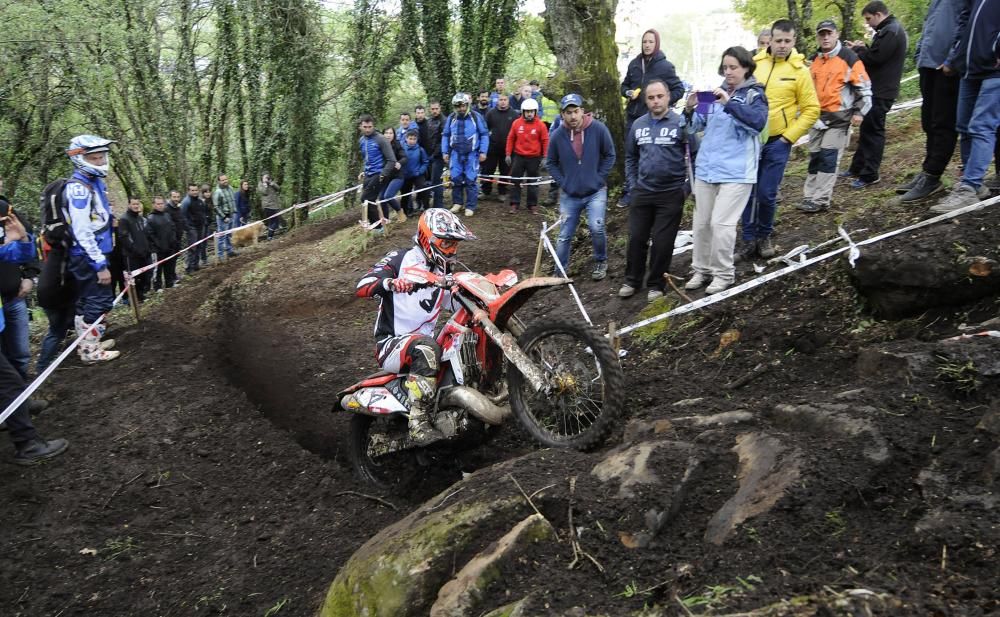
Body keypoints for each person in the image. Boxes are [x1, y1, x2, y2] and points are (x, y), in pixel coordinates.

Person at [355, 208, 477, 445]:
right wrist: (390, 283)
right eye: (446, 243)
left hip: (423, 342)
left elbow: (451, 302)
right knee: (427, 347)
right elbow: (363, 285)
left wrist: (475, 298)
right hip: (391, 344)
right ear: (427, 238)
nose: (451, 250)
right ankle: (418, 424)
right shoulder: (400, 259)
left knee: (465, 333)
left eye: (454, 245)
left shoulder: (443, 271)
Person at [683, 47, 769, 295]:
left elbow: (757, 124)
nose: (728, 72)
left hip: (738, 172)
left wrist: (729, 103)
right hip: (707, 168)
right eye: (725, 67)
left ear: (746, 68)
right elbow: (694, 127)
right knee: (701, 224)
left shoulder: (755, 94)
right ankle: (701, 269)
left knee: (721, 225)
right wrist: (690, 108)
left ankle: (723, 273)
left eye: (734, 67)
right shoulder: (712, 94)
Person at [740, 19, 820, 261]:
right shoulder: (754, 65)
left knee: (766, 193)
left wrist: (789, 137)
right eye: (778, 41)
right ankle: (747, 239)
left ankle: (764, 234)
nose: (782, 45)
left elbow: (811, 109)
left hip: (778, 141)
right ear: (770, 40)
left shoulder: (800, 71)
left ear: (794, 41)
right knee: (747, 191)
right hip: (751, 140)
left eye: (787, 41)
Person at [0, 210, 69, 465]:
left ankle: (14, 417)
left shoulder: (5, 213)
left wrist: (20, 240)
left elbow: (19, 255)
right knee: (8, 382)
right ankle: (27, 443)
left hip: (4, 315)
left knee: (13, 370)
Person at [621, 80, 689, 302]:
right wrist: (632, 184)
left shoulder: (681, 123)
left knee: (662, 242)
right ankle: (632, 280)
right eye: (651, 97)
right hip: (643, 191)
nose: (656, 101)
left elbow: (696, 155)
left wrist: (686, 187)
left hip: (671, 193)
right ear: (646, 100)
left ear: (668, 97)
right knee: (637, 238)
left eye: (660, 96)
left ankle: (656, 285)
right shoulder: (638, 124)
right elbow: (631, 157)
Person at [930, 0, 999, 213]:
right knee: (965, 126)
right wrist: (953, 57)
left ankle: (969, 186)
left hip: (995, 71)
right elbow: (964, 22)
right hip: (969, 70)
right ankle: (974, 186)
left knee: (982, 126)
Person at [798, 20, 872, 213]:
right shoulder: (813, 59)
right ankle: (809, 196)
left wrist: (858, 113)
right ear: (817, 36)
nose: (825, 37)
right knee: (815, 157)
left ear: (836, 34)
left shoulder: (849, 58)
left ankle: (821, 199)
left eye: (829, 33)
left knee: (828, 158)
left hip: (839, 119)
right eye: (822, 34)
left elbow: (865, 90)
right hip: (815, 117)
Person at [894, 0, 961, 202]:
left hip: (946, 68)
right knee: (928, 121)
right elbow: (930, 26)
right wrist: (919, 53)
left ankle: (933, 175)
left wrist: (952, 59)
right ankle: (927, 171)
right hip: (927, 64)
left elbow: (964, 26)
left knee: (942, 123)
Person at [63, 135, 120, 364]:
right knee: (99, 302)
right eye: (94, 157)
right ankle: (90, 351)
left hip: (93, 252)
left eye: (102, 156)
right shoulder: (78, 187)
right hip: (88, 255)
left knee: (88, 302)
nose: (99, 161)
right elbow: (81, 230)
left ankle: (89, 344)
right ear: (81, 159)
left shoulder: (93, 181)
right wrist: (99, 264)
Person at [548, 94, 616, 281]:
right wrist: (564, 182)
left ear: (582, 111)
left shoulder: (598, 129)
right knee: (564, 234)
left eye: (576, 111)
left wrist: (599, 177)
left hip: (596, 191)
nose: (573, 116)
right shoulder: (557, 136)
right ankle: (559, 272)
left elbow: (610, 155)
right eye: (568, 113)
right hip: (570, 194)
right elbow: (551, 162)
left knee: (597, 226)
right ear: (562, 114)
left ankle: (601, 261)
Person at [843, 1, 908, 188]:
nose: (868, 23)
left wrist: (857, 50)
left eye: (869, 19)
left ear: (879, 14)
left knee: (873, 131)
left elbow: (876, 58)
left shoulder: (891, 31)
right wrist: (862, 47)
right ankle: (857, 167)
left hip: (882, 90)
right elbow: (876, 54)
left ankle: (870, 174)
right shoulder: (888, 30)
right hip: (877, 88)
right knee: (867, 129)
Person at [619, 29, 685, 209]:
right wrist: (627, 92)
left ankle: (657, 191)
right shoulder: (634, 64)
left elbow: (679, 88)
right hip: (635, 116)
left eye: (650, 42)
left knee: (653, 154)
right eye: (644, 42)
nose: (647, 45)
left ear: (656, 44)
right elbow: (624, 85)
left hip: (657, 119)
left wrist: (664, 102)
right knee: (632, 154)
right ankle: (631, 190)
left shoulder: (665, 66)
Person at [0, 199, 40, 381]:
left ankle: (22, 399)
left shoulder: (5, 210)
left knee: (21, 353)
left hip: (14, 295)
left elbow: (21, 251)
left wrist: (30, 275)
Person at [443, 92, 489, 217]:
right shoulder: (451, 118)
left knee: (470, 179)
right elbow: (446, 135)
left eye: (463, 105)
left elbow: (484, 134)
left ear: (467, 104)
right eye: (458, 106)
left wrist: (483, 151)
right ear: (454, 107)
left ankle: (470, 206)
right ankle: (457, 203)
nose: (461, 108)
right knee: (456, 178)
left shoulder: (476, 117)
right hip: (456, 153)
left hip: (472, 154)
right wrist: (445, 151)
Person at [506, 98, 550, 214]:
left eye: (531, 111)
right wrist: (508, 154)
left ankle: (532, 205)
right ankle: (514, 203)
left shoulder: (540, 125)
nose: (529, 114)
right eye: (527, 111)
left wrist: (545, 157)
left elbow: (545, 140)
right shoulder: (516, 123)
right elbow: (510, 138)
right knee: (515, 180)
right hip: (519, 157)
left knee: (533, 182)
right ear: (523, 111)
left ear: (535, 112)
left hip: (534, 158)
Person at [357, 114, 396, 232]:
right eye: (365, 127)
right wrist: (363, 171)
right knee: (370, 201)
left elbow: (392, 160)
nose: (368, 129)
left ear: (373, 126)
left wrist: (383, 174)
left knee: (365, 199)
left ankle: (378, 227)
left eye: (370, 127)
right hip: (368, 174)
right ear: (360, 127)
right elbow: (367, 158)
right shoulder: (362, 140)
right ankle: (378, 225)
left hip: (379, 173)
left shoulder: (381, 139)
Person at [480, 93, 519, 200]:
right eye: (500, 99)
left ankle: (502, 192)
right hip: (492, 147)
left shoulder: (514, 114)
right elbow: (484, 130)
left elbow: (517, 132)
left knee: (505, 171)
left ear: (508, 101)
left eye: (505, 99)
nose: (502, 101)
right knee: (488, 170)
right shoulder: (490, 113)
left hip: (507, 149)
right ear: (497, 101)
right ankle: (485, 191)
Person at [118, 197, 152, 302]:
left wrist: (147, 248)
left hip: (144, 253)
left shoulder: (140, 218)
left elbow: (144, 234)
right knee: (134, 277)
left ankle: (141, 295)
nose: (136, 206)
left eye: (137, 204)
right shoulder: (124, 219)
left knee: (144, 276)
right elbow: (124, 237)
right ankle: (134, 298)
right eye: (133, 204)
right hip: (132, 255)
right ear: (129, 205)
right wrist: (135, 250)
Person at [147, 196, 178, 290]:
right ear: (153, 205)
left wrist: (173, 241)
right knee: (158, 268)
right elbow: (150, 235)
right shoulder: (150, 218)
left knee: (170, 266)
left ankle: (170, 283)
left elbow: (172, 228)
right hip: (157, 249)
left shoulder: (167, 215)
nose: (160, 206)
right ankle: (157, 287)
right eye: (158, 204)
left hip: (170, 247)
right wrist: (159, 245)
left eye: (162, 203)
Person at [379, 126, 408, 221]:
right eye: (386, 133)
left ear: (394, 135)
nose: (388, 135)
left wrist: (400, 163)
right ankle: (386, 220)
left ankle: (400, 211)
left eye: (391, 133)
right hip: (385, 176)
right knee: (382, 198)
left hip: (397, 176)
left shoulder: (397, 144)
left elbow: (404, 157)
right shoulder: (379, 146)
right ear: (382, 134)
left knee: (388, 196)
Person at [181, 184, 209, 273]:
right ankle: (190, 267)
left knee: (199, 246)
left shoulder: (200, 201)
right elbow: (183, 216)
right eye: (192, 190)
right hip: (192, 228)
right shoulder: (186, 202)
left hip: (200, 226)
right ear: (188, 191)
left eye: (196, 190)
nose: (194, 192)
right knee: (192, 247)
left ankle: (196, 265)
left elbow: (203, 212)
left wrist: (204, 221)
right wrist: (188, 228)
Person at [400, 129, 430, 214]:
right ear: (406, 138)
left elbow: (425, 162)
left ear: (417, 139)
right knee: (405, 194)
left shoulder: (421, 150)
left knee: (424, 189)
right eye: (410, 138)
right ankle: (405, 213)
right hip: (405, 175)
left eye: (414, 139)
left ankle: (426, 209)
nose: (412, 141)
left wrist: (420, 171)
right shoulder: (401, 149)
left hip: (417, 174)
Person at [426, 101, 446, 209]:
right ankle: (428, 204)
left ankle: (438, 205)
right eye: (432, 109)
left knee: (436, 180)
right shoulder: (429, 121)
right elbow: (428, 138)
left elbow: (443, 140)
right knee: (429, 180)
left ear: (440, 108)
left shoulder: (444, 121)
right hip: (429, 154)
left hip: (438, 156)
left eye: (436, 109)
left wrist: (435, 154)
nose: (434, 111)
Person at [212, 175, 238, 259]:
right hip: (223, 217)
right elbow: (216, 207)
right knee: (222, 236)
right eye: (222, 180)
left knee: (229, 234)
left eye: (226, 179)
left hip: (231, 215)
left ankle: (229, 250)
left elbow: (232, 200)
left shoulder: (230, 188)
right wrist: (223, 217)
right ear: (219, 181)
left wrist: (234, 211)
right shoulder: (218, 192)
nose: (225, 181)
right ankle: (220, 255)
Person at [165, 190, 186, 282]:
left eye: (178, 197)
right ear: (170, 197)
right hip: (170, 239)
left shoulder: (178, 208)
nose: (176, 199)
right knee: (170, 259)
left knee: (175, 257)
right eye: (174, 197)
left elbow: (181, 221)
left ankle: (173, 275)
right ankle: (170, 278)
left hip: (178, 237)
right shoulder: (167, 209)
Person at [258, 172, 282, 240]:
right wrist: (265, 184)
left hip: (275, 205)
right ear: (262, 178)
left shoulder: (271, 182)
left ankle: (270, 236)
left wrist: (272, 183)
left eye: (267, 177)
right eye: (265, 177)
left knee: (274, 222)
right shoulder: (260, 184)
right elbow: (264, 192)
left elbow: (278, 188)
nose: (266, 179)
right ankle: (270, 236)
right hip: (267, 205)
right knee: (274, 222)